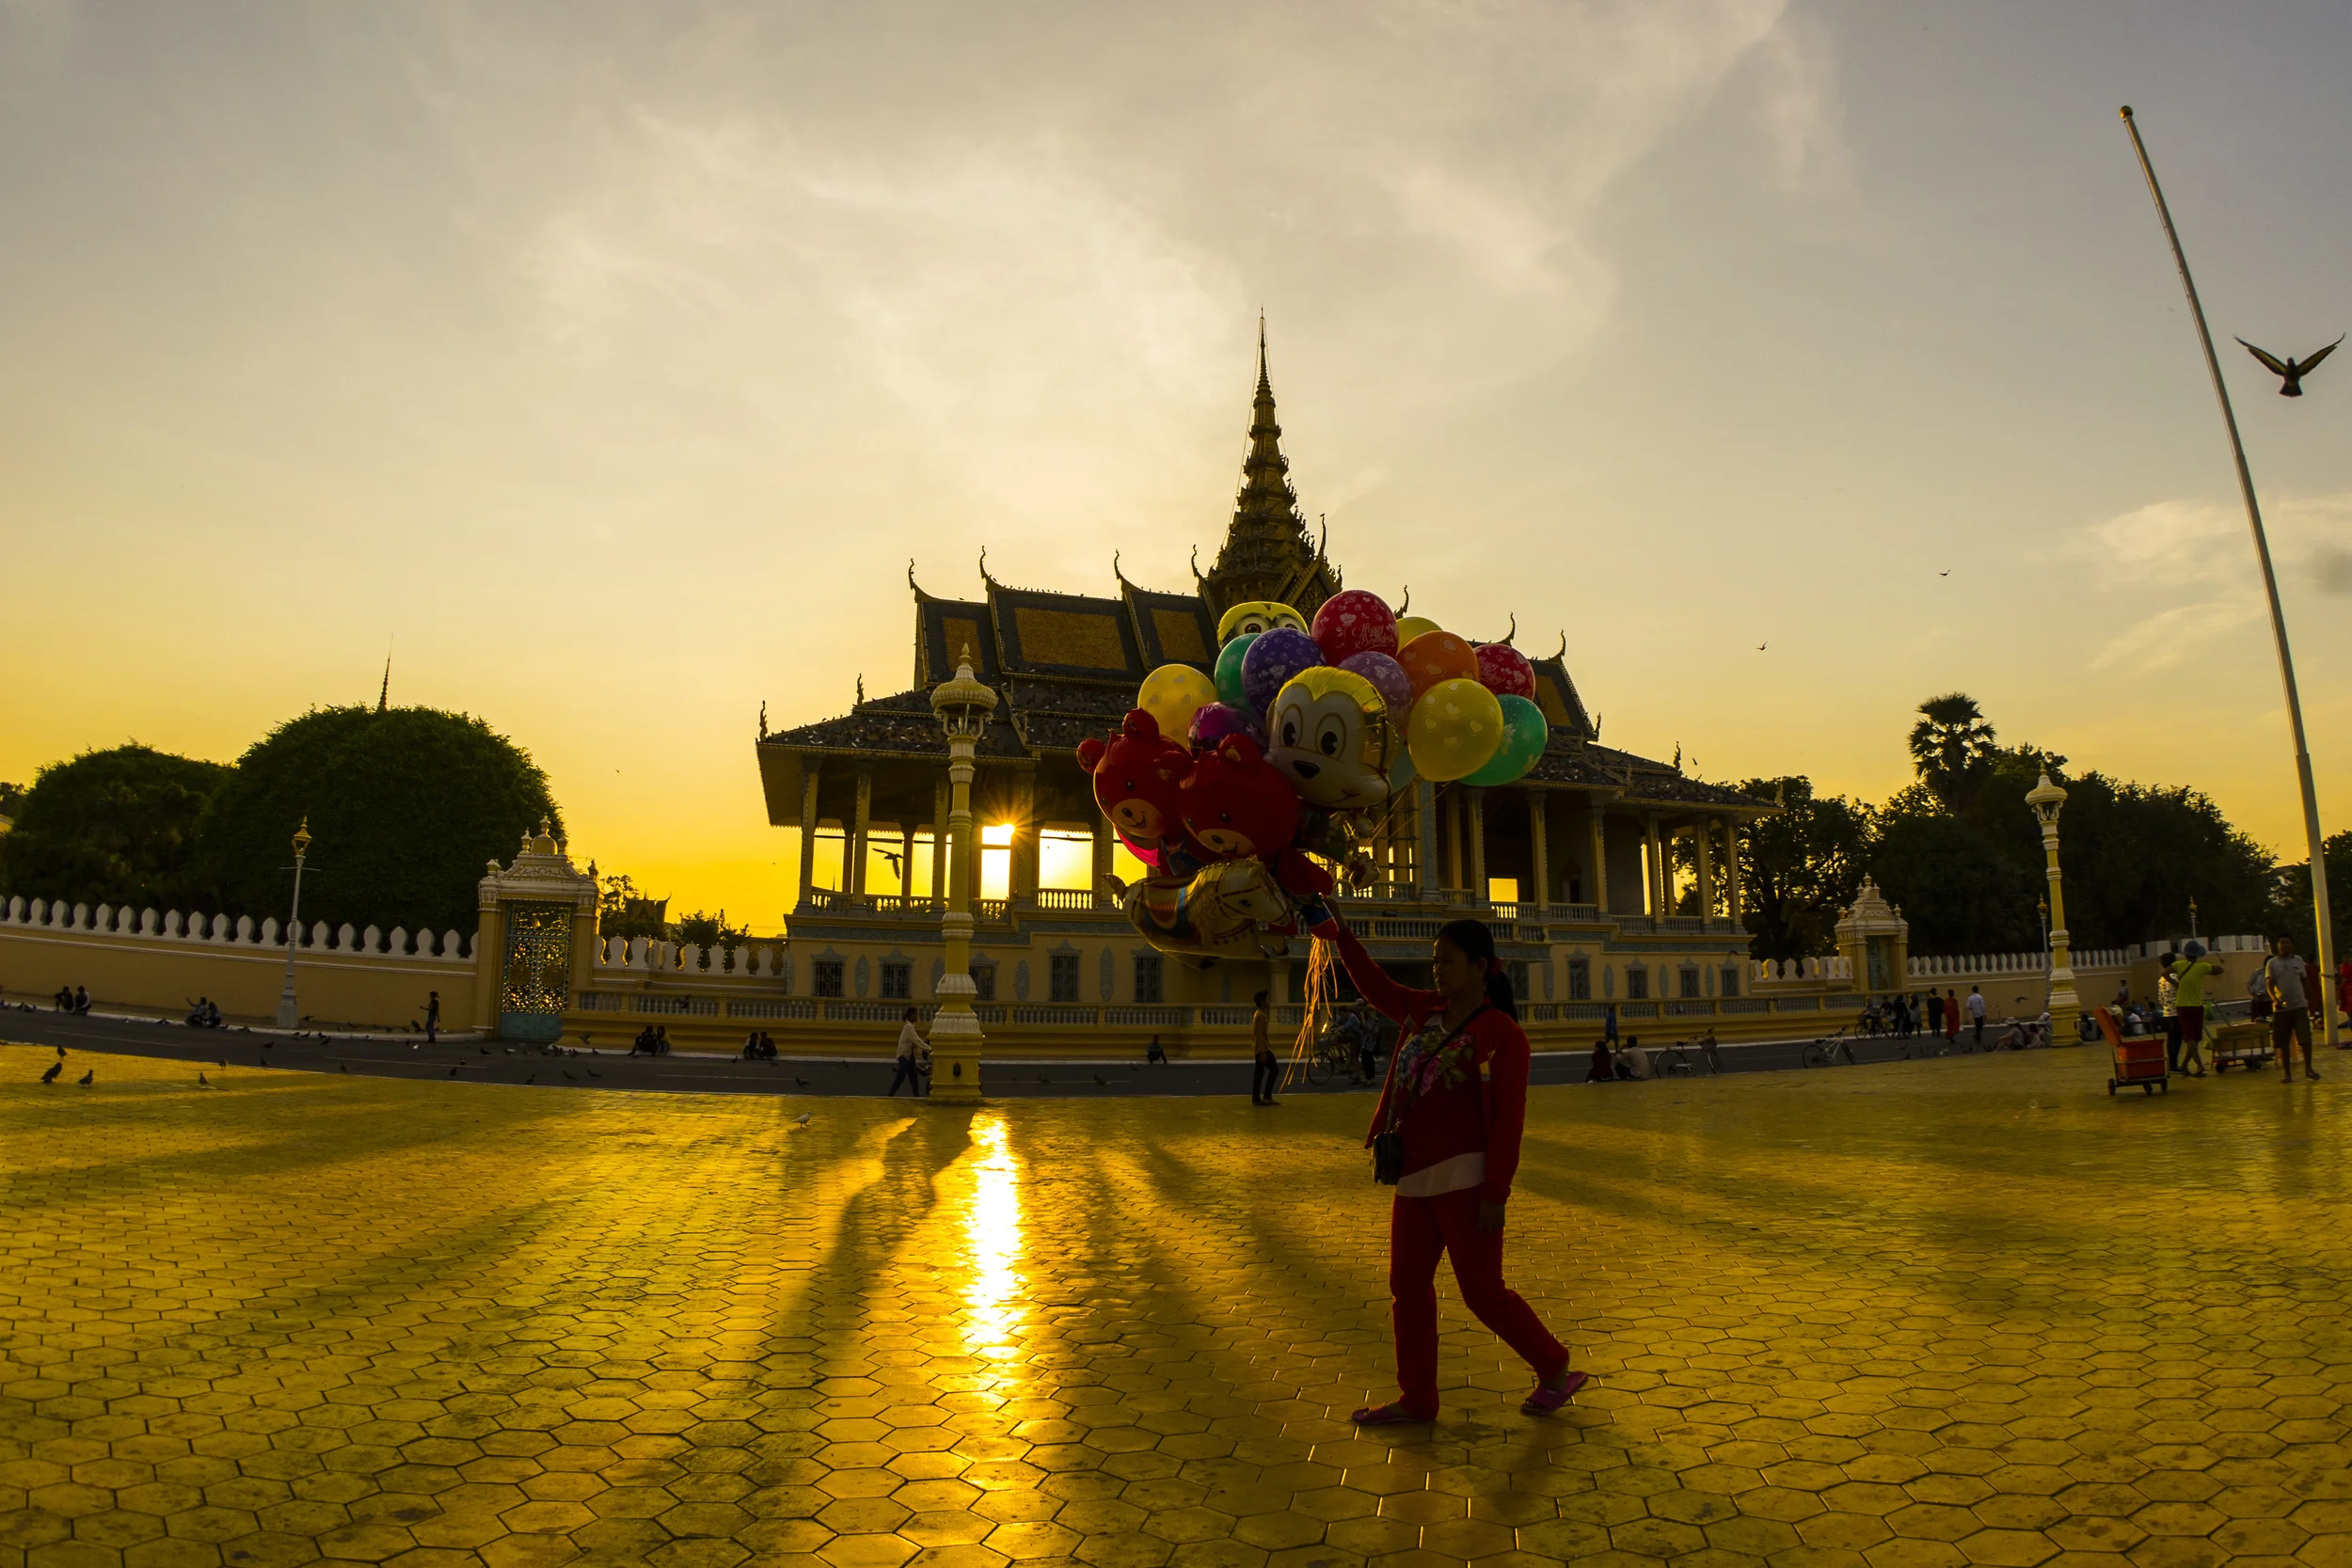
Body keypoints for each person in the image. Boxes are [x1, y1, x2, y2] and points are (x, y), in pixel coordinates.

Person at [1309, 910, 1578, 1423]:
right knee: (1406, 1291)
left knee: (1481, 1293)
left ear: (1480, 967)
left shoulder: (1502, 1037)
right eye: (1434, 962)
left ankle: (1554, 1363)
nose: (1437, 971)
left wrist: (1496, 1192)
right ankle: (1418, 1398)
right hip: (1412, 1177)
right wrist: (1340, 931)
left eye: (1448, 962)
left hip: (1467, 1180)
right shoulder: (1422, 1012)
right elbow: (1372, 984)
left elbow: (1508, 1123)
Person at [2268, 936, 2320, 1082]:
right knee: (2283, 1042)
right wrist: (2274, 999)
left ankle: (2308, 1069)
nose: (2285, 945)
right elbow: (2269, 984)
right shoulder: (2272, 963)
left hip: (2300, 1006)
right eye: (2282, 942)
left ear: (2292, 945)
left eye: (2287, 942)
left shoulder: (2298, 961)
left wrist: (2313, 1000)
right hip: (2281, 1009)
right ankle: (2287, 1073)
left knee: (2305, 1039)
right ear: (2277, 945)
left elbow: (2304, 981)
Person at [2169, 942, 2218, 1078]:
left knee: (2191, 1038)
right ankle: (2199, 1065)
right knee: (2193, 1038)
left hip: (2183, 1006)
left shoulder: (2178, 965)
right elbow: (2219, 970)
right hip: (2197, 1006)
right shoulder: (2202, 967)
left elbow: (2164, 973)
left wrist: (2175, 983)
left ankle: (2185, 1064)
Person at [1250, 990, 1279, 1105]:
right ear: (1262, 1002)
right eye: (1267, 999)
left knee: (1259, 1074)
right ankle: (1266, 1096)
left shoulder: (1259, 1014)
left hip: (1260, 1048)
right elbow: (1259, 1034)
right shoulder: (1261, 1016)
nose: (1269, 1002)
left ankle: (1257, 1098)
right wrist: (1262, 1051)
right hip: (1263, 1049)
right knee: (1274, 1070)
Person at [2155, 952, 2182, 1074]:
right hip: (2177, 1013)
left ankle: (2171, 1064)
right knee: (2178, 1039)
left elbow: (2160, 999)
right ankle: (2174, 1064)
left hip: (2167, 1013)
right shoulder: (2175, 978)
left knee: (2171, 1039)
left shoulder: (2161, 980)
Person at [889, 1007, 925, 1095]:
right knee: (901, 1077)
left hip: (909, 1057)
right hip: (904, 1056)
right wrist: (929, 1049)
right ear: (911, 1015)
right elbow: (916, 1040)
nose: (917, 1016)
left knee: (914, 1078)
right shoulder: (908, 1027)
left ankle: (916, 1096)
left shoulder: (911, 1027)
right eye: (916, 1015)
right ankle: (890, 1095)